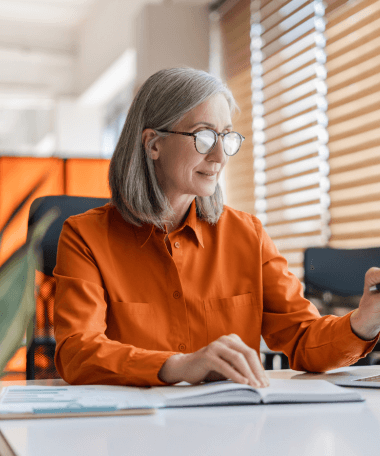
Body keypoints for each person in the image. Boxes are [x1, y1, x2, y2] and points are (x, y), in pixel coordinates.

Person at [53, 67, 380, 388]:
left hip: (232, 427)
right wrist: (178, 366)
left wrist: (364, 320)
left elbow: (304, 337)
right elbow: (76, 350)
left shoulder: (247, 235)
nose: (220, 155)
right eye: (204, 136)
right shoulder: (85, 237)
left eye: (226, 136)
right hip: (130, 427)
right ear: (153, 144)